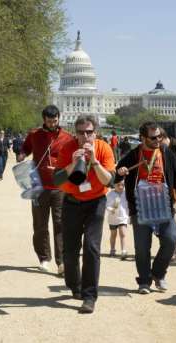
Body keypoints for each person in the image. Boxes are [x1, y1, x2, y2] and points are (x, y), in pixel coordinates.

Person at [53, 115, 115, 314]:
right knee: (70, 251)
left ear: (95, 133)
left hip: (96, 202)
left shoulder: (104, 148)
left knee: (91, 247)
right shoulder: (68, 148)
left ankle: (89, 297)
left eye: (89, 132)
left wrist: (95, 162)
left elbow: (109, 181)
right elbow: (57, 180)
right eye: (81, 132)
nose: (85, 136)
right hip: (72, 202)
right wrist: (73, 163)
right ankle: (75, 285)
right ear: (75, 133)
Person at [115, 122, 176, 294]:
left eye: (160, 136)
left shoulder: (166, 153)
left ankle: (158, 274)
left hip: (164, 205)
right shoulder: (134, 154)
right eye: (153, 138)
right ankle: (144, 281)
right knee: (142, 247)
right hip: (141, 206)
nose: (158, 140)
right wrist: (121, 171)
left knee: (170, 240)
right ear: (143, 138)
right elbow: (118, 171)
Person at [17, 105, 73, 274]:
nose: (52, 123)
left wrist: (58, 168)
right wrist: (21, 154)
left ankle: (61, 261)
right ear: (44, 120)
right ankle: (44, 257)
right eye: (49, 121)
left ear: (59, 118)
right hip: (39, 186)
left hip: (59, 187)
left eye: (55, 120)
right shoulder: (35, 134)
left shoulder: (67, 138)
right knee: (40, 225)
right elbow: (25, 148)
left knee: (60, 224)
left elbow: (72, 160)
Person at [105, 180, 129, 260]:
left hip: (123, 217)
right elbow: (107, 205)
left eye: (122, 185)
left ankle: (123, 250)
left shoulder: (126, 193)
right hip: (113, 219)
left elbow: (128, 204)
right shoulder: (110, 194)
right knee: (113, 235)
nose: (121, 187)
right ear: (114, 185)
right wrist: (111, 209)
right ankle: (112, 249)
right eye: (118, 185)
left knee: (123, 233)